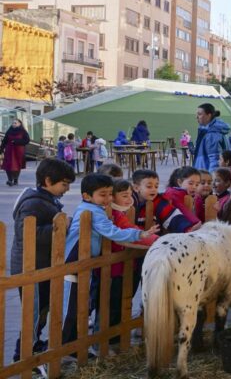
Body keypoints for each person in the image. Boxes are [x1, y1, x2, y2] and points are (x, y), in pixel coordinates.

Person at [61, 174, 159, 344]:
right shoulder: (92, 211)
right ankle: (64, 345)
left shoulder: (92, 209)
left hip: (83, 263)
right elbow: (113, 232)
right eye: (102, 194)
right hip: (74, 263)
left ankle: (72, 345)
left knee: (80, 306)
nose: (107, 199)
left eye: (109, 194)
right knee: (72, 308)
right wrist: (140, 233)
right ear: (87, 196)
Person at [10, 158, 76, 362]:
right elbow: (27, 232)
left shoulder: (46, 199)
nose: (66, 189)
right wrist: (59, 227)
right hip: (31, 266)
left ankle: (35, 342)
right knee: (34, 311)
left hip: (42, 266)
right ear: (48, 181)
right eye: (64, 184)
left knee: (42, 309)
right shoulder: (34, 203)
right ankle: (23, 353)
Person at [107, 179, 158, 344]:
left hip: (124, 267)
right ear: (112, 198)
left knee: (122, 302)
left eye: (130, 195)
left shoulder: (120, 213)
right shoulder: (114, 215)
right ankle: (112, 340)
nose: (130, 199)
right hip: (114, 270)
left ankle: (116, 336)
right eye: (124, 196)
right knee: (113, 305)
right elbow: (132, 232)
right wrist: (161, 241)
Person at [192, 103, 231, 172]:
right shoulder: (214, 129)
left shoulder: (212, 134)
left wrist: (211, 181)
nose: (197, 116)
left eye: (200, 114)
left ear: (208, 115)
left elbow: (215, 162)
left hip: (206, 177)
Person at [162, 166, 203, 232]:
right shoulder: (173, 194)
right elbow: (182, 209)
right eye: (191, 183)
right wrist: (195, 222)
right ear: (180, 182)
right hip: (180, 228)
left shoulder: (194, 196)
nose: (194, 187)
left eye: (197, 184)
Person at [2, 118, 30, 186]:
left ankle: (15, 179)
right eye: (13, 123)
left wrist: (17, 141)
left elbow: (27, 140)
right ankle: (10, 180)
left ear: (19, 124)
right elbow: (5, 141)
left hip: (18, 151)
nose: (13, 124)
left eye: (15, 123)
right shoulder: (9, 131)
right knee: (8, 165)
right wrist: (1, 148)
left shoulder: (23, 131)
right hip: (9, 150)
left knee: (16, 166)